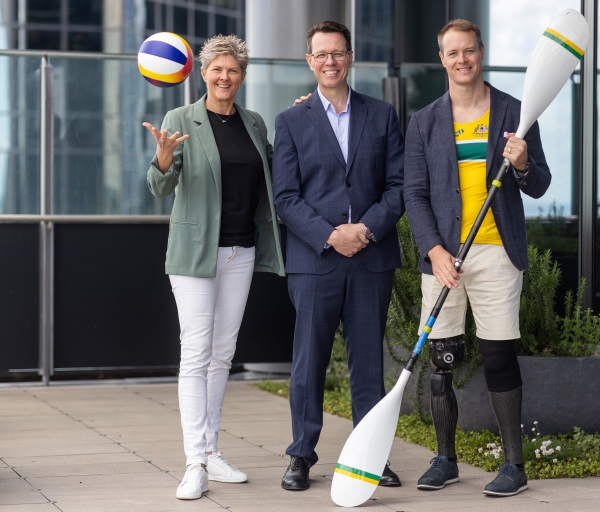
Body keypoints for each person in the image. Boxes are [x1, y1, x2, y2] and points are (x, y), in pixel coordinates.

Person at [403, 19, 551, 497]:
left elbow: (541, 184)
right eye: (452, 53)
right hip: (445, 257)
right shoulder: (424, 121)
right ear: (441, 58)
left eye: (469, 51)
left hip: (496, 252)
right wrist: (435, 250)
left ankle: (514, 467)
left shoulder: (515, 111)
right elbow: (414, 194)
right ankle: (445, 460)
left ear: (479, 53)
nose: (461, 60)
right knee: (442, 358)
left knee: (498, 355)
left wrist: (524, 163)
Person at [144, 35, 284, 500]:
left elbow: (274, 172)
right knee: (196, 353)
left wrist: (307, 113)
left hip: (242, 252)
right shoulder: (180, 119)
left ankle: (212, 450)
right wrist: (163, 158)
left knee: (223, 354)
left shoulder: (254, 123)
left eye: (234, 70)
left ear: (242, 76)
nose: (225, 77)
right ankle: (194, 463)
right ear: (202, 73)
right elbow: (160, 187)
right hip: (195, 255)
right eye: (217, 69)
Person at [272, 20, 404, 492]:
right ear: (309, 61)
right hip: (315, 260)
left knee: (368, 363)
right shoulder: (290, 121)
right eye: (321, 54)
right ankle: (301, 455)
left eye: (338, 53)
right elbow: (284, 198)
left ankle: (369, 457)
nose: (330, 61)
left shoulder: (383, 115)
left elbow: (397, 186)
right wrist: (331, 235)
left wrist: (364, 231)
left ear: (350, 57)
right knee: (309, 362)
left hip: (371, 258)